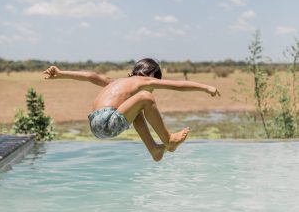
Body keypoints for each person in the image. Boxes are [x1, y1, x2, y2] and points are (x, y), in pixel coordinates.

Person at [43, 58, 220, 161]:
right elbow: (179, 85)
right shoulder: (144, 81)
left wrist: (61, 73)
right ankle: (169, 139)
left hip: (95, 123)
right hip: (107, 120)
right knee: (146, 98)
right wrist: (205, 87)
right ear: (151, 76)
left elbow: (92, 76)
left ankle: (155, 150)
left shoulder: (117, 82)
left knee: (137, 112)